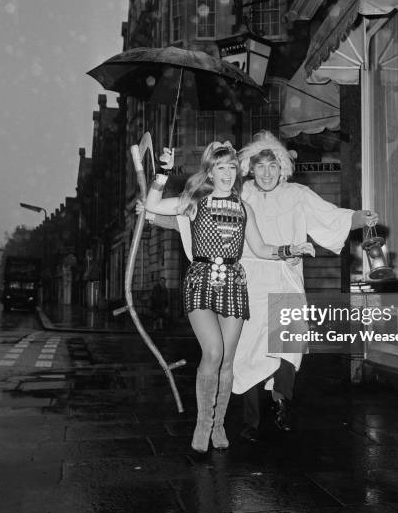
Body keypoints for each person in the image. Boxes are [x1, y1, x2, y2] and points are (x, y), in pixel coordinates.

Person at [144, 140, 315, 453]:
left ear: (238, 171)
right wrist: (163, 173)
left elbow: (262, 249)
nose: (226, 172)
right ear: (210, 170)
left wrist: (291, 249)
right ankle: (202, 425)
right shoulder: (195, 200)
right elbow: (153, 205)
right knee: (212, 352)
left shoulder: (243, 206)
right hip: (201, 281)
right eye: (220, 167)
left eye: (231, 167)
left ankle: (219, 424)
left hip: (234, 284)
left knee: (227, 359)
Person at [234, 131, 378, 441]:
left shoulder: (297, 195)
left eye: (272, 165)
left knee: (289, 341)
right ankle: (250, 422)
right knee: (247, 351)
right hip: (251, 281)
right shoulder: (242, 195)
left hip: (286, 278)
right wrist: (157, 214)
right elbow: (203, 215)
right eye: (260, 167)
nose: (267, 173)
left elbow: (330, 217)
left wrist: (359, 218)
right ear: (251, 168)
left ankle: (281, 401)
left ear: (282, 166)